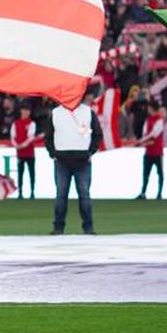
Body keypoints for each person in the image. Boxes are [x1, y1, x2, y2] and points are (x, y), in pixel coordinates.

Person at [47, 93, 103, 234]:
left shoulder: (88, 112)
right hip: (63, 160)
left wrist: (90, 152)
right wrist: (53, 153)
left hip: (81, 160)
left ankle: (88, 228)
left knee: (83, 195)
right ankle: (59, 228)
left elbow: (97, 134)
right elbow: (48, 135)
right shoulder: (55, 113)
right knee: (62, 195)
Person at [135, 102, 167, 199]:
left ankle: (159, 193)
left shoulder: (159, 120)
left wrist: (141, 141)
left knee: (159, 172)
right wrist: (143, 141)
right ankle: (143, 192)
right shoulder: (149, 120)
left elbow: (154, 134)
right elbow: (146, 133)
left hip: (157, 151)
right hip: (149, 151)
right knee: (146, 173)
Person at [11, 104, 39, 199]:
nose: (25, 113)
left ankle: (32, 191)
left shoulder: (32, 123)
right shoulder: (16, 123)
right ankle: (20, 192)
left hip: (29, 152)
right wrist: (16, 145)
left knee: (31, 172)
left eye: (27, 111)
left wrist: (22, 145)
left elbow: (31, 137)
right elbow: (12, 136)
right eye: (23, 110)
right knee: (20, 173)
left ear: (29, 112)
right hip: (20, 152)